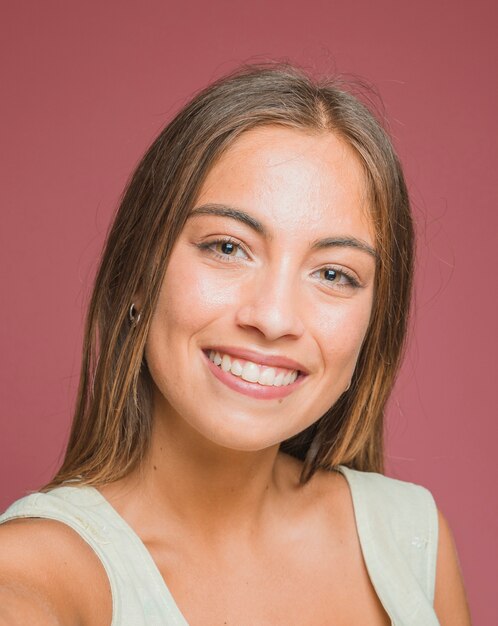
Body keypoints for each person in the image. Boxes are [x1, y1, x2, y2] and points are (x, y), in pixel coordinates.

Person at [0, 63, 471, 625]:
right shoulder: (33, 577)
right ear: (138, 273)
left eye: (334, 274)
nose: (273, 318)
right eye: (227, 247)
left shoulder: (414, 536)